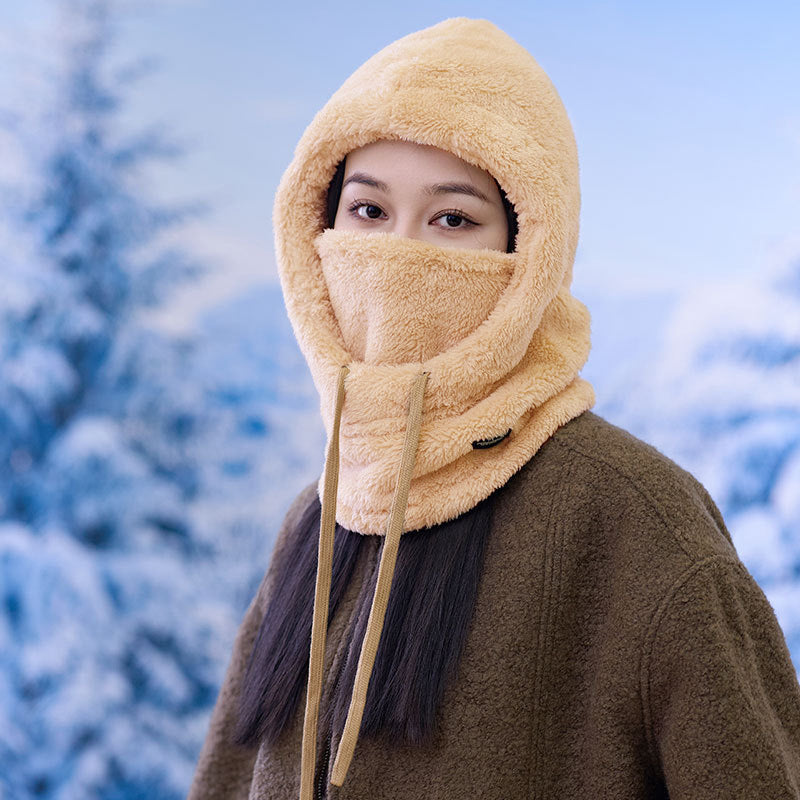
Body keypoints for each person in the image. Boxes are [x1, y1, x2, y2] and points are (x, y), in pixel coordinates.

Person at [187, 17, 800, 800]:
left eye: (453, 219)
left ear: (527, 252)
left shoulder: (636, 520)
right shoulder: (320, 518)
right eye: (368, 211)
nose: (400, 255)